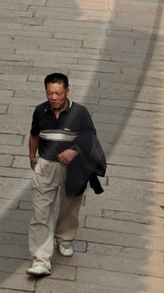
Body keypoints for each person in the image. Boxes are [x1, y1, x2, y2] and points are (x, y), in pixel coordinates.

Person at [26, 70, 106, 277]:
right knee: (41, 212)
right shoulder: (39, 111)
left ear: (67, 91)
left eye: (58, 93)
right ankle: (41, 260)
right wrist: (32, 157)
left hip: (74, 169)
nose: (54, 98)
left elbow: (90, 137)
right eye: (50, 93)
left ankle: (65, 238)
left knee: (70, 206)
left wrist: (74, 150)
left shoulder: (80, 113)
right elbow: (34, 135)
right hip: (46, 166)